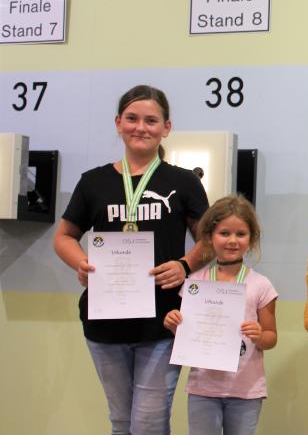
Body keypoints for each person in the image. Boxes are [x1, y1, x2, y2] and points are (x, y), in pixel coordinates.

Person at [53, 85, 210, 434]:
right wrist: (82, 264)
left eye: (151, 120)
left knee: (149, 423)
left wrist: (185, 265)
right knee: (121, 421)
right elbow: (63, 237)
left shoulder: (183, 182)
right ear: (118, 123)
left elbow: (210, 241)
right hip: (105, 321)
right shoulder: (93, 182)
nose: (141, 127)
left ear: (166, 127)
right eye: (132, 119)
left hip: (164, 319)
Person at [164, 195, 278, 435]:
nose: (232, 241)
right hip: (203, 389)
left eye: (241, 234)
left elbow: (271, 338)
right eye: (224, 233)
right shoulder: (195, 281)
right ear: (209, 237)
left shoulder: (261, 285)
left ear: (252, 238)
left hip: (246, 391)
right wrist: (174, 323)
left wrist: (259, 335)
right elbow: (187, 334)